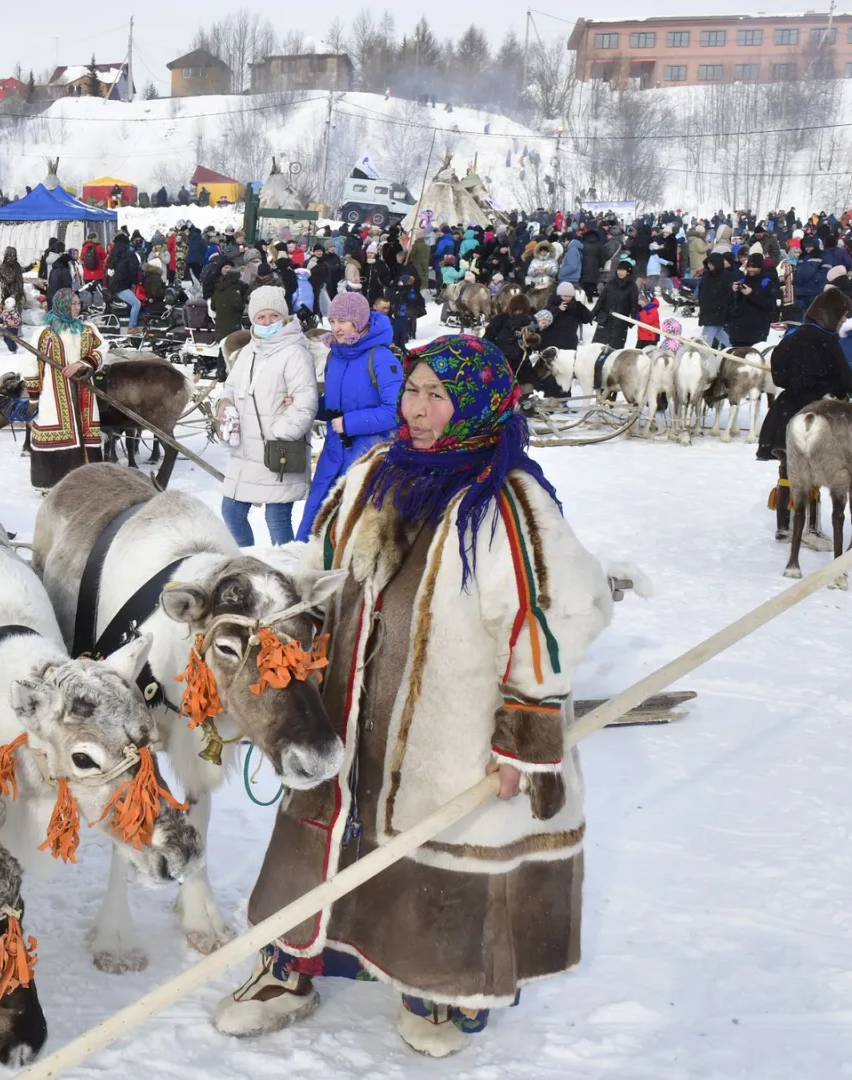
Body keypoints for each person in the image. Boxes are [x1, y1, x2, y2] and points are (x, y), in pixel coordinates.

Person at [217, 335, 608, 1058]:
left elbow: (558, 616)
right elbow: (323, 564)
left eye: (438, 396)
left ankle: (438, 985)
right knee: (323, 831)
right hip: (346, 708)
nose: (418, 409)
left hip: (449, 731)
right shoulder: (373, 473)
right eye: (413, 391)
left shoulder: (509, 504)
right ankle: (291, 964)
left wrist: (521, 739)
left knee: (433, 854)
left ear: (480, 405)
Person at [212, 287, 317, 546]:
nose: (267, 322)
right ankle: (248, 566)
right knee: (232, 512)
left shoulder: (294, 352)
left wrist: (279, 432)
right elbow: (231, 387)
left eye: (273, 316)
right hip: (246, 451)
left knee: (277, 518)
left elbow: (305, 402)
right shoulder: (249, 351)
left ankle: (285, 572)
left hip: (277, 452)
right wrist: (225, 405)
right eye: (261, 317)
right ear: (252, 318)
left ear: (283, 317)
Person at [298, 291, 399, 538]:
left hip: (367, 454)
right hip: (333, 450)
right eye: (332, 322)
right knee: (316, 513)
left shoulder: (381, 357)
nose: (336, 328)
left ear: (360, 321)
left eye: (343, 321)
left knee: (348, 524)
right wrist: (304, 405)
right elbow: (333, 405)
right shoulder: (336, 354)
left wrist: (350, 423)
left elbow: (395, 412)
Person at [760, 291, 852, 540]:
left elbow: (778, 373)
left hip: (786, 410)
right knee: (814, 469)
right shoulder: (826, 339)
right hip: (816, 411)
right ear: (830, 315)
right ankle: (810, 527)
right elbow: (844, 380)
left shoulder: (792, 335)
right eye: (843, 315)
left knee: (788, 467)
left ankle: (783, 525)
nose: (844, 320)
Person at [23, 288, 104, 490]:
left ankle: (88, 479)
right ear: (61, 305)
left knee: (85, 432)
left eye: (78, 303)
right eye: (71, 304)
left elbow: (102, 349)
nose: (75, 308)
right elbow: (30, 364)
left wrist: (82, 364)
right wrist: (33, 397)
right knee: (56, 430)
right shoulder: (45, 333)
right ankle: (52, 482)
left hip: (84, 392)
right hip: (52, 395)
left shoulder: (88, 329)